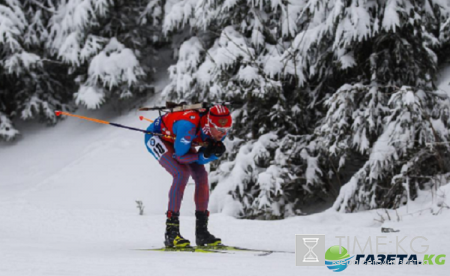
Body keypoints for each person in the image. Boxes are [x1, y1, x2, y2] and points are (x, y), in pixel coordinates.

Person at [144, 104, 232, 248]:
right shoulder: (188, 126)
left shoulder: (217, 129)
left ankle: (202, 232)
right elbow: (180, 157)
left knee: (201, 175)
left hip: (178, 140)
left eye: (227, 129)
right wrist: (204, 155)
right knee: (181, 173)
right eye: (221, 129)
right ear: (210, 124)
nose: (223, 134)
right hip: (157, 137)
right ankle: (171, 233)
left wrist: (208, 155)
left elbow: (198, 156)